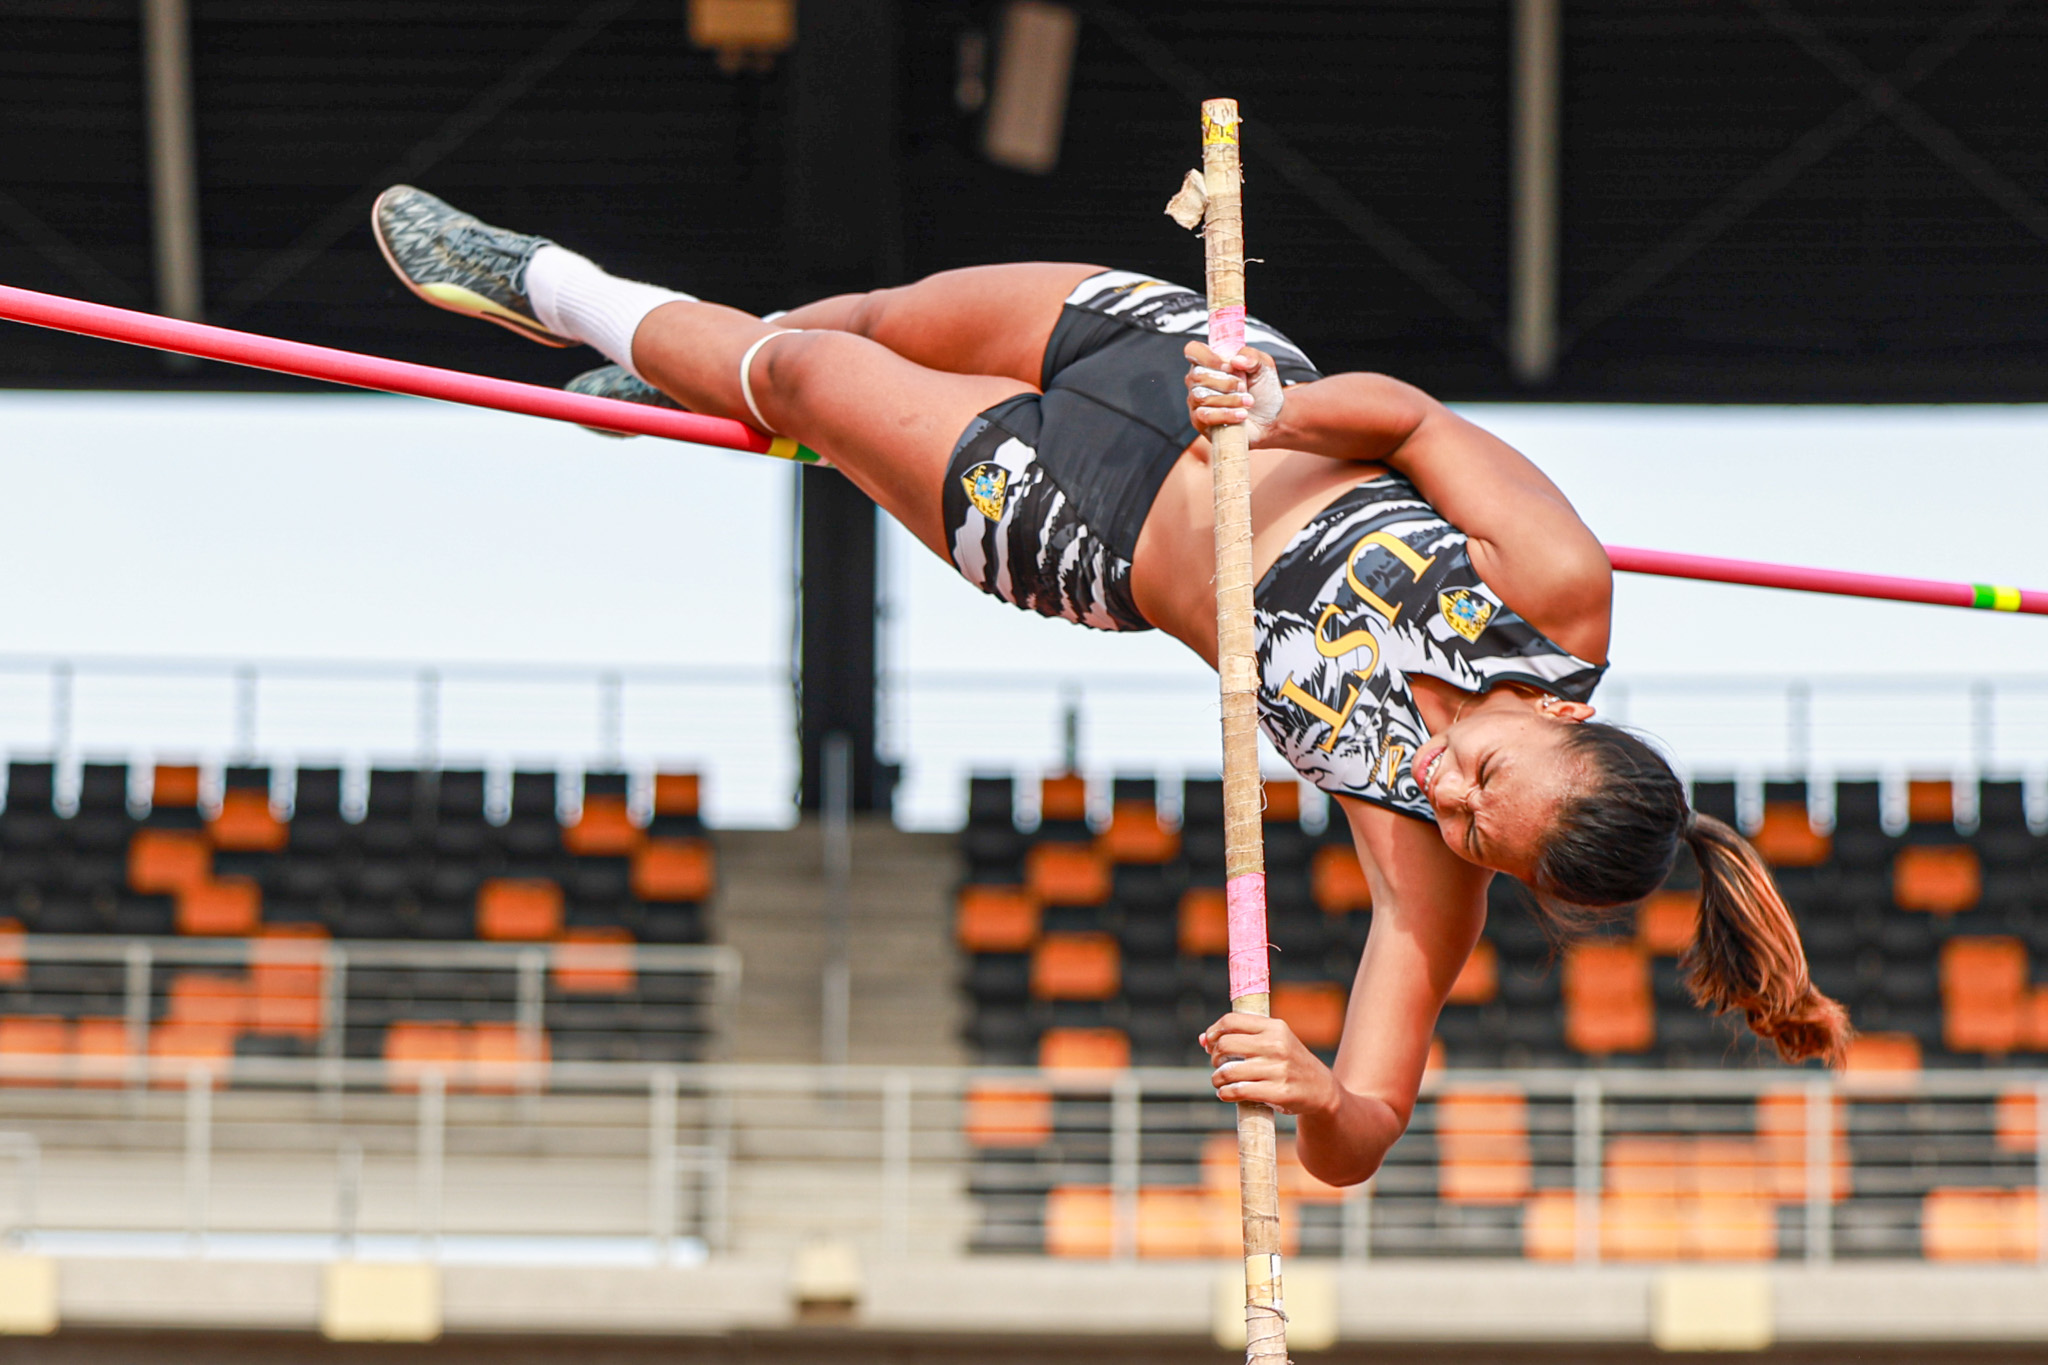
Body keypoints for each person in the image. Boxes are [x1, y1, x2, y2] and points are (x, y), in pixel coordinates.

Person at [372, 186, 1852, 1186]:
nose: (1444, 788)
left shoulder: (1425, 862)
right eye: (1489, 784)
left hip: (1078, 532)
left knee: (818, 379)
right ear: (1566, 714)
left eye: (1473, 832)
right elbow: (1404, 418)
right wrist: (1277, 410)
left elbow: (1368, 1128)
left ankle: (549, 288)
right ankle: (685, 376)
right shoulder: (1557, 590)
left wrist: (1312, 1088)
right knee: (876, 315)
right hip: (1197, 379)